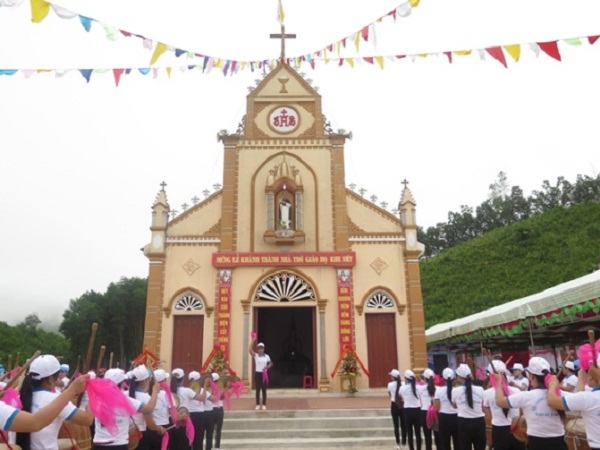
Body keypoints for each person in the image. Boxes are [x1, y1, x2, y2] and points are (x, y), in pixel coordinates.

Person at [16, 354, 94, 450]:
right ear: (50, 380)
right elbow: (88, 419)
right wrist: (91, 397)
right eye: (57, 377)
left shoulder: (15, 398)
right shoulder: (56, 400)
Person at [494, 357, 566, 450]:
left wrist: (499, 381)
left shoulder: (526, 396)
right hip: (560, 444)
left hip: (536, 444)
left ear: (531, 376)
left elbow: (500, 401)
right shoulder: (561, 394)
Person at [92, 368, 159, 450]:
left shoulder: (97, 399)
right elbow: (149, 408)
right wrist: (155, 391)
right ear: (121, 383)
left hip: (98, 445)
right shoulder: (125, 400)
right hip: (118, 445)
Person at [1, 375, 88, 437]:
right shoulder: (56, 398)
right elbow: (87, 420)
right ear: (50, 380)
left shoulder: (18, 397)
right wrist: (75, 392)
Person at [547, 357, 600, 450]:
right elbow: (581, 393)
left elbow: (551, 401)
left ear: (592, 376)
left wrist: (552, 384)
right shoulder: (587, 396)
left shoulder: (588, 397)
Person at [482, 360, 524, 450]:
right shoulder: (516, 391)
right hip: (516, 429)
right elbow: (521, 412)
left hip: (499, 430)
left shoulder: (486, 393)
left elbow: (488, 415)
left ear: (491, 376)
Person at [128, 365, 163, 450]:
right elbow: (150, 424)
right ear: (145, 381)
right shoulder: (146, 398)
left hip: (125, 434)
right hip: (139, 435)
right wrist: (160, 428)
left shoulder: (124, 394)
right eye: (149, 379)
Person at [452, 364, 486, 450]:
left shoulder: (455, 390)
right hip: (479, 422)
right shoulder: (480, 389)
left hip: (464, 423)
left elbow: (454, 405)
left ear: (459, 377)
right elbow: (483, 406)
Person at [177, 370, 213, 450]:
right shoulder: (191, 390)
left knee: (189, 438)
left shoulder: (181, 390)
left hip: (188, 415)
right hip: (199, 416)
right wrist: (205, 385)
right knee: (198, 440)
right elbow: (203, 398)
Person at [434, 368, 459, 450]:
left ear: (443, 378)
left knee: (444, 444)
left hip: (444, 418)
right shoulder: (458, 390)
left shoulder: (438, 391)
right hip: (457, 418)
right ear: (454, 378)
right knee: (458, 443)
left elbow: (436, 408)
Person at [417, 368, 440, 450]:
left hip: (424, 413)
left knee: (427, 437)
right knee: (438, 436)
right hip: (435, 413)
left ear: (424, 378)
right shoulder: (438, 388)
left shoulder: (419, 388)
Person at [399, 370, 421, 450]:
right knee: (418, 432)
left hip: (407, 411)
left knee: (410, 432)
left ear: (406, 378)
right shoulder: (418, 387)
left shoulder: (402, 388)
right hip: (417, 410)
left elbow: (401, 396)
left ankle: (411, 448)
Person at [248, 339, 273, 410]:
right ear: (257, 349)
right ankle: (258, 404)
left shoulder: (266, 356)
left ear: (263, 349)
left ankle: (264, 404)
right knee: (258, 390)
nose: (260, 350)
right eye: (259, 348)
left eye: (262, 348)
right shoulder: (256, 355)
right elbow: (250, 350)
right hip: (257, 373)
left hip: (264, 374)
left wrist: (267, 367)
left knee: (264, 389)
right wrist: (252, 341)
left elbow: (271, 363)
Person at [387, 369, 406, 450]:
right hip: (402, 405)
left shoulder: (390, 384)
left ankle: (397, 444)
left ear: (393, 377)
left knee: (396, 425)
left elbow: (390, 394)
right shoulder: (403, 384)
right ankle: (404, 444)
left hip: (394, 405)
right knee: (403, 425)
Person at [209, 373, 224, 450]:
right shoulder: (219, 387)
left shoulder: (208, 388)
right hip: (218, 409)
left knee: (210, 430)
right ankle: (217, 447)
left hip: (211, 410)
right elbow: (222, 397)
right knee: (218, 429)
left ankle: (210, 446)